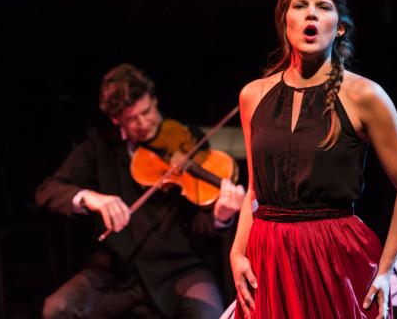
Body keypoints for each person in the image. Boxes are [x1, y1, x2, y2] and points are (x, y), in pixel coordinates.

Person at [229, 0, 397, 319]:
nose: (311, 14)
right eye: (301, 5)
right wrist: (238, 252)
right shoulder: (253, 95)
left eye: (323, 7)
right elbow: (255, 190)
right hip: (268, 253)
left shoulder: (365, 95)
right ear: (285, 22)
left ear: (340, 27)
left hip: (333, 253)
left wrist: (386, 268)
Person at [36, 63, 245, 318]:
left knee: (208, 314)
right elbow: (48, 190)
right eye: (132, 119)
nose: (144, 123)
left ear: (155, 100)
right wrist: (91, 198)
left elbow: (198, 222)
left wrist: (220, 217)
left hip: (179, 270)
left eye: (148, 111)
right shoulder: (99, 147)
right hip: (117, 272)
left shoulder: (186, 138)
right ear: (117, 120)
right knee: (56, 309)